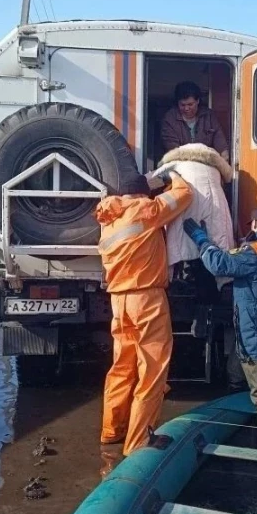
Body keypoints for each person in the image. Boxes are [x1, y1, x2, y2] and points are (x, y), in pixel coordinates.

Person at [94, 170, 193, 464]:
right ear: (141, 193)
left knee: (122, 367)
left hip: (119, 302)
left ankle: (111, 431)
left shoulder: (108, 219)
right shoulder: (147, 209)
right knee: (151, 370)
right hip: (146, 298)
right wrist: (171, 173)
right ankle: (138, 441)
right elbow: (184, 193)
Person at [183, 206, 257, 452]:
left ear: (254, 224)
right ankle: (246, 429)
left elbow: (219, 264)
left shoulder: (254, 252)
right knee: (236, 374)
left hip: (255, 329)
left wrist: (202, 239)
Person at [161, 81, 230, 162]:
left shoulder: (209, 116)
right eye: (182, 105)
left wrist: (224, 159)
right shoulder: (169, 119)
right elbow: (174, 151)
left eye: (190, 104)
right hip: (179, 164)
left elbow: (221, 145)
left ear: (198, 101)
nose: (186, 108)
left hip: (207, 164)